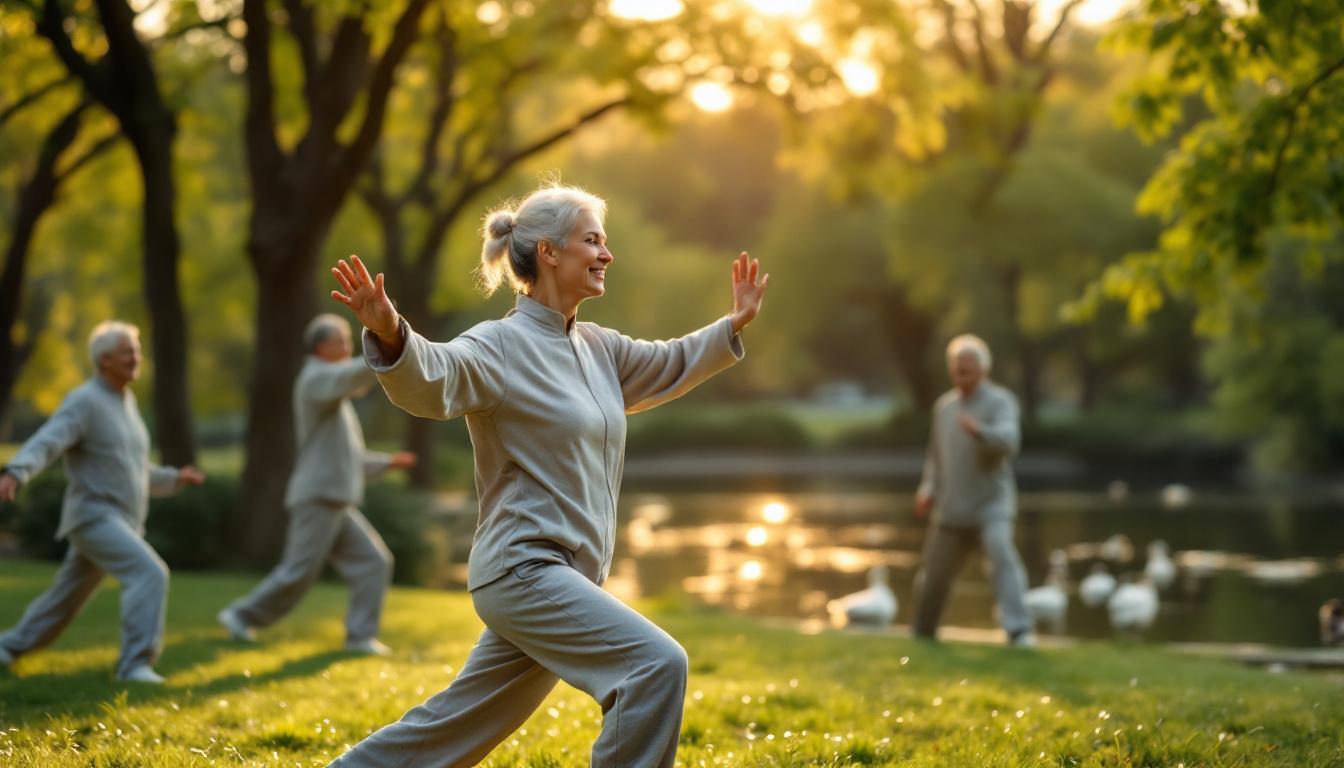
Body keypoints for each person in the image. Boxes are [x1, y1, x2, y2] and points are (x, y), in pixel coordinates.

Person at [325, 183, 768, 767]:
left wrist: (732, 323)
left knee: (458, 724)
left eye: (605, 242)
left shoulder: (599, 348)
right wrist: (390, 333)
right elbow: (437, 376)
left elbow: (671, 361)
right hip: (523, 568)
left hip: (563, 575)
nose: (607, 254)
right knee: (654, 665)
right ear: (550, 252)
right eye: (593, 241)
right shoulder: (500, 345)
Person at [0, 321, 205, 683]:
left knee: (65, 599)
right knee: (149, 572)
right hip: (93, 517)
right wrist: (17, 471)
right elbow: (49, 440)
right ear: (105, 359)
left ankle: (8, 647)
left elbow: (135, 469)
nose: (135, 358)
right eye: (127, 352)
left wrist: (174, 478)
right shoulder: (85, 401)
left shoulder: (127, 403)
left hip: (121, 521)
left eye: (136, 351)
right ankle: (135, 665)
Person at [218, 314, 416, 654]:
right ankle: (240, 615)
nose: (348, 346)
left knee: (373, 562)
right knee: (298, 572)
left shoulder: (335, 396)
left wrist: (387, 463)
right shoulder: (315, 378)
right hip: (318, 497)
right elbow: (349, 375)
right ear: (321, 346)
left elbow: (350, 459)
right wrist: (386, 343)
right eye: (342, 341)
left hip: (335, 499)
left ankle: (360, 637)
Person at [912, 333, 1034, 647]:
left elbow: (1009, 441)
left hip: (991, 506)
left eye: (966, 365)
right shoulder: (944, 408)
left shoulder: (1000, 402)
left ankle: (1018, 630)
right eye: (956, 365)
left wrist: (981, 432)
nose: (960, 370)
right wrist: (928, 489)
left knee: (1001, 556)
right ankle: (923, 632)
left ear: (982, 369)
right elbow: (935, 458)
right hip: (952, 508)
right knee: (933, 576)